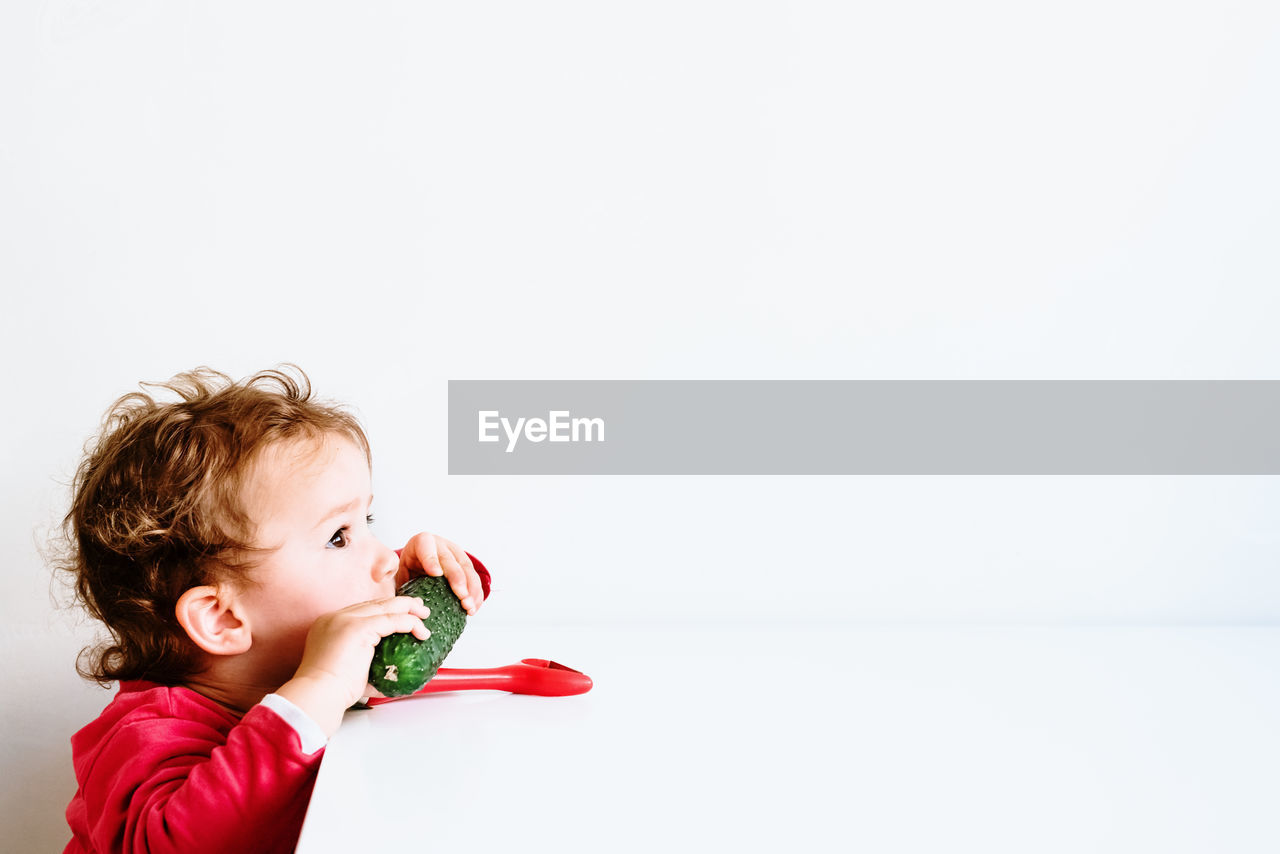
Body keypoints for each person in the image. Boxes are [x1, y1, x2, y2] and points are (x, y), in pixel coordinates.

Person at [54, 365, 491, 853]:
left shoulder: (302, 667)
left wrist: (436, 581)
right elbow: (175, 843)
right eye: (338, 537)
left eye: (365, 519)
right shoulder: (142, 736)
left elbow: (400, 672)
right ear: (223, 619)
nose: (385, 555)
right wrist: (322, 687)